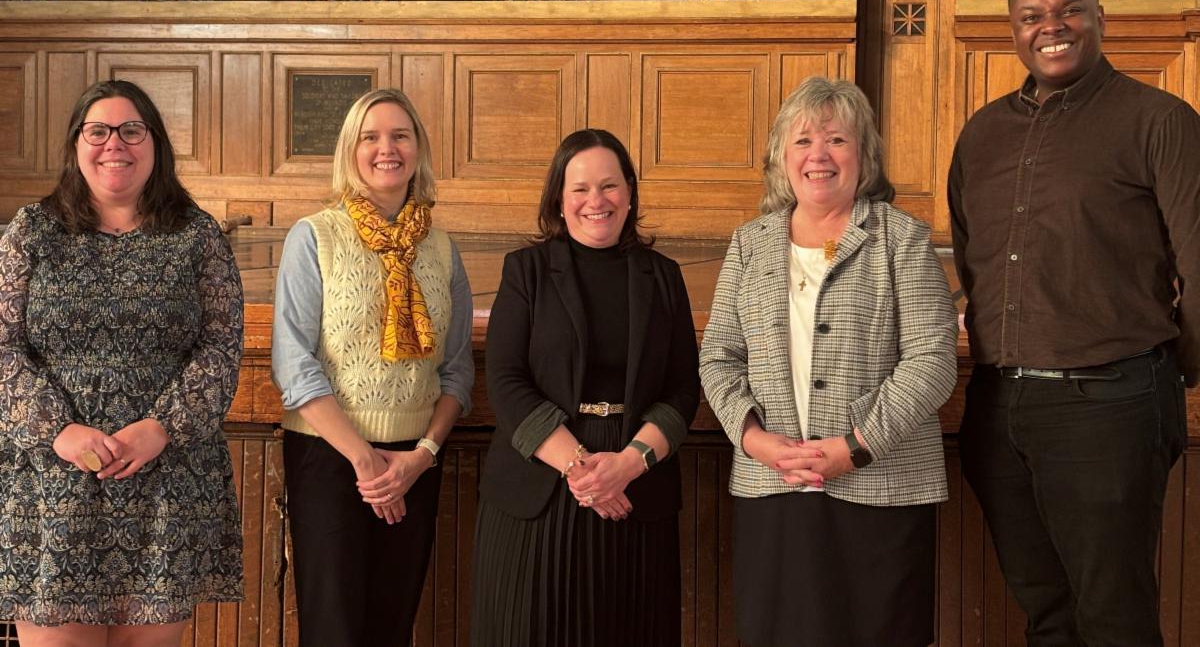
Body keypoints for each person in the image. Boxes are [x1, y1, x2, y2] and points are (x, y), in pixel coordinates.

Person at [949, 0, 1200, 646]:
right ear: (1013, 31)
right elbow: (972, 255)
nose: (1051, 27)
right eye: (1032, 16)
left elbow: (1198, 259)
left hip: (1111, 402)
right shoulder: (982, 134)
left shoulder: (1160, 121)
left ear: (1099, 19)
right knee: (1046, 612)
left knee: (1114, 616)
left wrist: (1175, 374)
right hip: (999, 408)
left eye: (1068, 11)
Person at [700, 76, 958, 647]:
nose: (818, 155)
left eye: (836, 140)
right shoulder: (750, 243)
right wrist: (754, 440)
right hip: (774, 485)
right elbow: (718, 356)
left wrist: (856, 446)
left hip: (881, 488)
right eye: (802, 141)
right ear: (780, 158)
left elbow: (932, 358)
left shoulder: (902, 239)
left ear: (863, 155)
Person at [0, 79, 244, 646]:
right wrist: (56, 430)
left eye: (132, 130)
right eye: (99, 131)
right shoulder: (31, 233)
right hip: (54, 480)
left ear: (155, 144)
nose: (116, 144)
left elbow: (220, 345)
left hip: (165, 479)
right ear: (76, 144)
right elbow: (3, 345)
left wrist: (162, 428)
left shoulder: (197, 236)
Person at [470, 129, 700, 647]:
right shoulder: (525, 271)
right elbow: (506, 381)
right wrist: (582, 470)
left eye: (609, 186)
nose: (596, 201)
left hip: (635, 495)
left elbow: (683, 389)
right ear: (558, 198)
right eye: (580, 189)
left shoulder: (664, 277)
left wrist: (627, 464)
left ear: (630, 192)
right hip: (540, 495)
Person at [271, 87, 473, 646]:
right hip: (331, 460)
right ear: (349, 151)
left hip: (414, 461)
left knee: (393, 624)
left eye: (400, 135)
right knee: (333, 629)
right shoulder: (314, 236)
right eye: (371, 137)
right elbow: (294, 363)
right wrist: (365, 462)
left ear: (419, 150)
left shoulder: (442, 247)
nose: (387, 148)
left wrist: (420, 458)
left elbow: (455, 371)